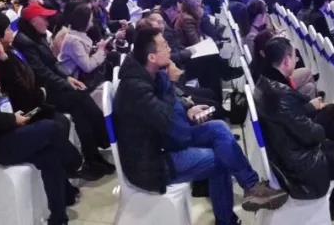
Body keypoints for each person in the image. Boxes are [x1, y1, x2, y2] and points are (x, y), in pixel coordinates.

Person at [114, 27, 288, 224]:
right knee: (220, 160)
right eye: (164, 46)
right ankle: (227, 220)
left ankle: (252, 187)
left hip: (162, 142)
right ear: (152, 57)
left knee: (219, 127)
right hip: (151, 163)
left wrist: (188, 108)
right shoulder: (136, 90)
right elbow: (178, 132)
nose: (170, 49)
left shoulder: (147, 73)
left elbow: (171, 117)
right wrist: (170, 83)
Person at [0, 17, 78, 225]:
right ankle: (75, 162)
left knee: (50, 154)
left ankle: (58, 218)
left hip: (9, 128)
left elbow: (15, 88)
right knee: (52, 128)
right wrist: (12, 119)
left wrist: (4, 59)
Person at [257, 37, 334, 225]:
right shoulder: (280, 94)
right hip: (300, 165)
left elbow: (287, 117)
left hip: (287, 150)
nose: (297, 60)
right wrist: (318, 126)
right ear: (286, 61)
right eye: (294, 56)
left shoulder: (264, 83)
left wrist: (309, 109)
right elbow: (311, 135)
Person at [13, 14, 114, 179]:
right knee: (81, 101)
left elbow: (53, 65)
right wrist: (65, 82)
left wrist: (67, 79)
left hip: (54, 87)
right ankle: (100, 144)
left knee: (81, 109)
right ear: (33, 21)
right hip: (44, 94)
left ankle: (93, 157)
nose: (47, 22)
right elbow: (42, 73)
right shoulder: (26, 44)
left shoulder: (38, 38)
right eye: (43, 18)